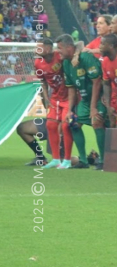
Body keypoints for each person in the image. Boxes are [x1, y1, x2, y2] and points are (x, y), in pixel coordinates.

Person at [59, 34, 107, 169]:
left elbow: (97, 82)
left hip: (98, 99)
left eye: (60, 48)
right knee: (73, 123)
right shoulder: (67, 63)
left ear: (69, 48)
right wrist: (69, 111)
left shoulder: (86, 58)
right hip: (85, 100)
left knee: (97, 122)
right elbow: (72, 88)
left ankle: (103, 160)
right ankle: (84, 161)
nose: (58, 51)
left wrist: (93, 107)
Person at [35, 38, 73, 169]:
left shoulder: (59, 56)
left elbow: (78, 45)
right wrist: (46, 98)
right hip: (55, 98)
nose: (37, 50)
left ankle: (67, 160)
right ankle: (56, 159)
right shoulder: (38, 63)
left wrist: (77, 55)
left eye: (40, 47)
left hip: (68, 96)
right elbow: (43, 82)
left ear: (49, 48)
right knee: (50, 125)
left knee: (66, 126)